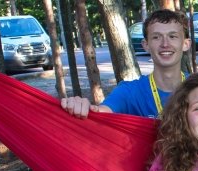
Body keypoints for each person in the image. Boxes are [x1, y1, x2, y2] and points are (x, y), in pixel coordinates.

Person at [61, 9, 190, 119]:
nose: (165, 44)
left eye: (172, 36)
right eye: (156, 37)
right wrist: (81, 107)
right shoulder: (129, 92)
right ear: (146, 45)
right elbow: (99, 114)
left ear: (185, 44)